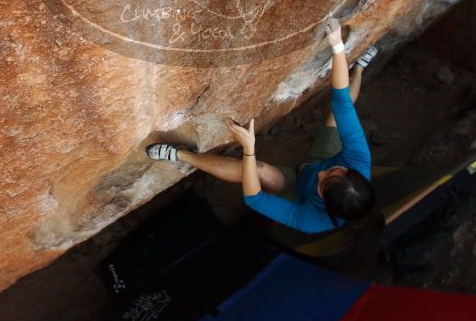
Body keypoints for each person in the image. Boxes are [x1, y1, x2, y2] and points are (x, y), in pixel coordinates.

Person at [146, 19, 378, 236]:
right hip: (327, 155)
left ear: (324, 201)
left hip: (296, 188)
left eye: (323, 181)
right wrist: (337, 48)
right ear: (351, 172)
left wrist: (248, 149)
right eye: (334, 170)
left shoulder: (314, 220)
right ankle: (359, 69)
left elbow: (254, 199)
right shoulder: (358, 159)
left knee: (255, 169)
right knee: (338, 115)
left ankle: (181, 155)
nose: (321, 172)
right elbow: (341, 102)